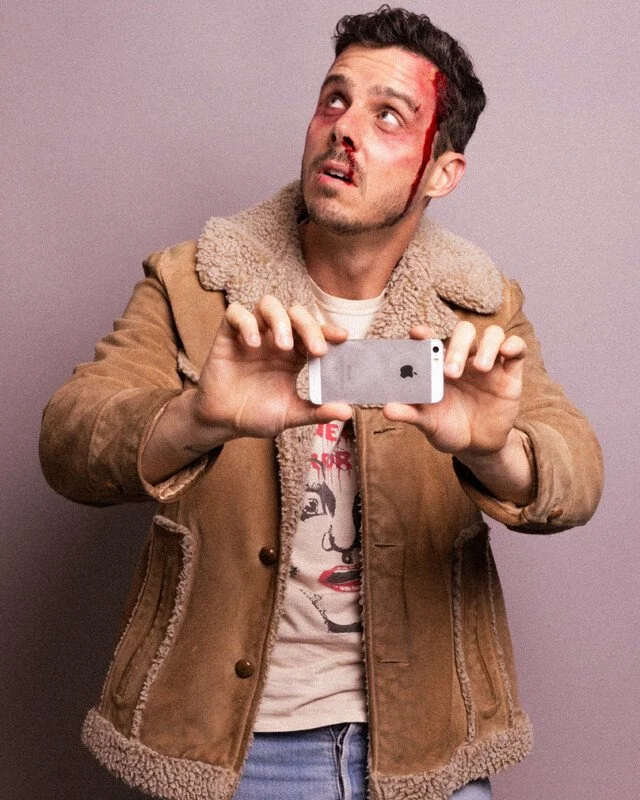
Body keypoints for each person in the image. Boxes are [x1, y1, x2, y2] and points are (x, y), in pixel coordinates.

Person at [39, 7, 603, 800]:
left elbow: (577, 473)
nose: (345, 129)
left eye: (387, 115)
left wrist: (493, 450)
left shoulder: (480, 309)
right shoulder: (193, 283)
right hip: (228, 756)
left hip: (426, 754)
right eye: (333, 100)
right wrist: (198, 417)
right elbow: (68, 440)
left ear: (442, 171)